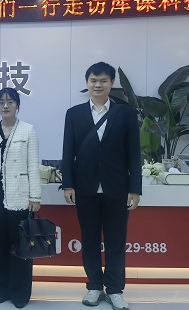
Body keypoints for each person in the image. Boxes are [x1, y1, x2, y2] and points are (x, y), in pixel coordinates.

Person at [61, 62, 141, 310]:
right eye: (93, 80)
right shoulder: (74, 114)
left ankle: (115, 289)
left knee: (116, 241)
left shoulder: (126, 114)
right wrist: (68, 184)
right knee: (90, 240)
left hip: (117, 188)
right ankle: (94, 286)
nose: (98, 85)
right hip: (85, 189)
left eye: (103, 81)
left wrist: (135, 189)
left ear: (111, 83)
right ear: (87, 83)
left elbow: (134, 155)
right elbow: (68, 152)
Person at [0, 88, 41, 308]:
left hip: (19, 196)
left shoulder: (28, 130)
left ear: (17, 105)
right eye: (1, 102)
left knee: (20, 248)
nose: (5, 106)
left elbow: (32, 165)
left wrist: (35, 196)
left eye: (10, 102)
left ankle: (19, 293)